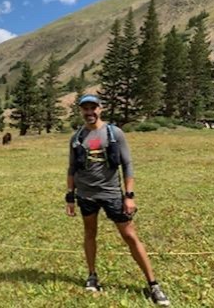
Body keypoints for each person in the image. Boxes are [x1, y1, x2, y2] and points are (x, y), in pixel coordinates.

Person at [65, 94, 170, 306]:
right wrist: (70, 196)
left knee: (130, 236)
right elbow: (71, 168)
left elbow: (127, 165)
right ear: (81, 111)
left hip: (112, 194)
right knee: (89, 233)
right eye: (85, 108)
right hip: (86, 195)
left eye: (93, 108)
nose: (89, 112)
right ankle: (92, 276)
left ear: (100, 109)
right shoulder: (77, 137)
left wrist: (129, 196)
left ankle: (153, 284)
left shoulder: (114, 133)